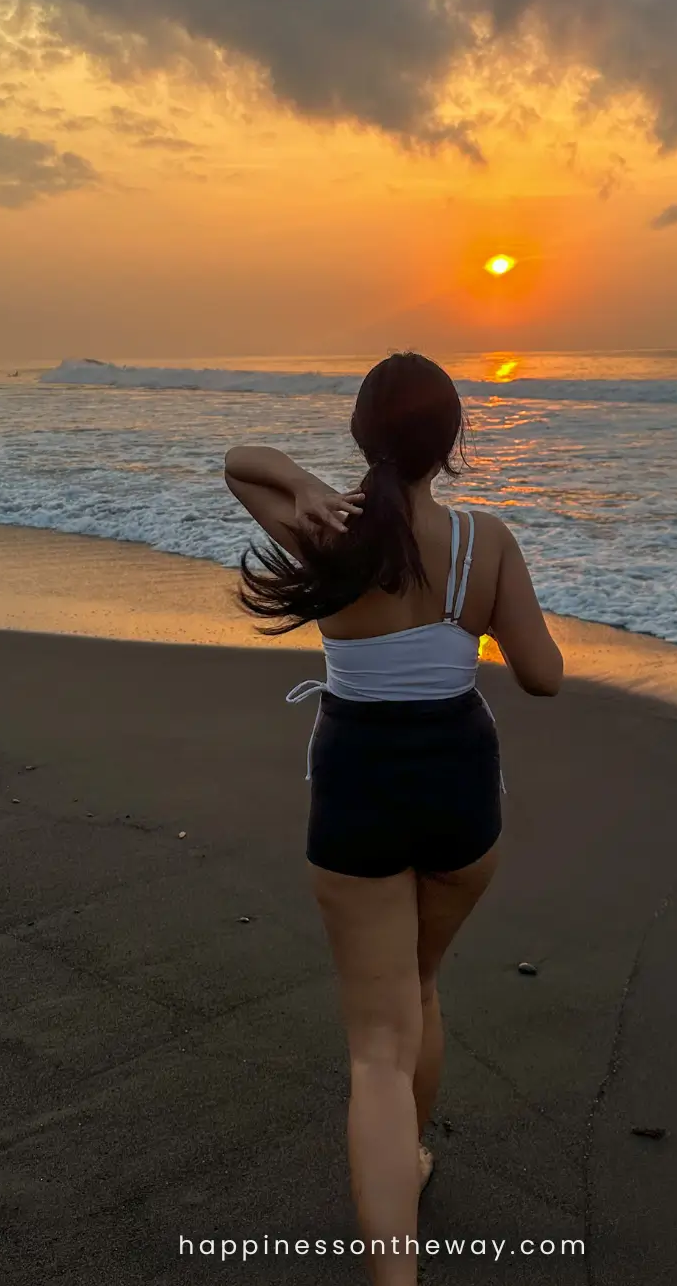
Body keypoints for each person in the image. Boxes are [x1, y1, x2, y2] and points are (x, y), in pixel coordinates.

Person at [224, 351, 563, 1285]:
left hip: (358, 785)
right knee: (418, 984)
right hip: (458, 787)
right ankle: (402, 1165)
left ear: (361, 434)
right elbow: (543, 676)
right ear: (453, 441)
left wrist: (300, 483)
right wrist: (478, 616)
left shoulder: (324, 531)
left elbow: (236, 462)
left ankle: (393, 1238)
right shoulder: (484, 539)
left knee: (377, 1043)